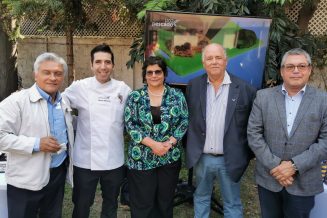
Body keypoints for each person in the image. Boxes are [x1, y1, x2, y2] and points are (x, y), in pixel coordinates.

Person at [247, 48, 327, 218]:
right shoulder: (263, 97)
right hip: (269, 178)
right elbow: (254, 134)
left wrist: (293, 166)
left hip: (304, 182)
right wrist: (276, 166)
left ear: (309, 70)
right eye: (290, 66)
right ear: (282, 71)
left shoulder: (326, 101)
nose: (296, 71)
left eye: (301, 66)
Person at [186, 43, 256, 218]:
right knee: (201, 197)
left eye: (218, 57)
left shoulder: (245, 89)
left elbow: (252, 127)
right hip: (202, 158)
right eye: (209, 58)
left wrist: (245, 154)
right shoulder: (193, 86)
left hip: (230, 159)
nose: (214, 62)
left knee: (232, 203)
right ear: (204, 63)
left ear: (226, 61)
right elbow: (188, 121)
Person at [0, 52, 74, 218]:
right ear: (35, 75)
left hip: (56, 176)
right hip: (25, 179)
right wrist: (35, 144)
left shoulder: (64, 103)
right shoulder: (17, 101)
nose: (52, 78)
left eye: (58, 73)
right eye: (46, 72)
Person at [63, 44, 131, 218]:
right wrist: (73, 123)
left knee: (110, 203)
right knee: (82, 204)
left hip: (114, 159)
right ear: (91, 65)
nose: (103, 66)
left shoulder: (123, 89)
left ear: (113, 65)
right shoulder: (80, 87)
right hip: (85, 160)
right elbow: (60, 105)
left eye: (107, 62)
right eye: (98, 62)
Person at [124, 56, 189, 218]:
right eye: (149, 72)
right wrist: (153, 144)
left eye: (158, 72)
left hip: (169, 158)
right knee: (142, 203)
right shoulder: (135, 97)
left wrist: (170, 143)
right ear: (145, 75)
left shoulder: (177, 95)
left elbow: (184, 121)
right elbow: (130, 125)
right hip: (142, 159)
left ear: (164, 73)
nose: (154, 75)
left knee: (165, 202)